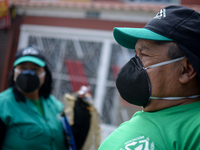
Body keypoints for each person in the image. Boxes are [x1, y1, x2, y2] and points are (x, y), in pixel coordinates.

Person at [99, 5, 200, 150]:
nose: (133, 65)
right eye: (135, 55)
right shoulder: (142, 120)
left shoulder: (194, 129)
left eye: (144, 55)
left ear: (186, 70)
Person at [0, 46, 90, 150]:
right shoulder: (3, 105)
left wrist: (81, 120)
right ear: (14, 72)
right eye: (23, 68)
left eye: (35, 69)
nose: (28, 74)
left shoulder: (56, 106)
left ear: (45, 74)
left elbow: (70, 144)